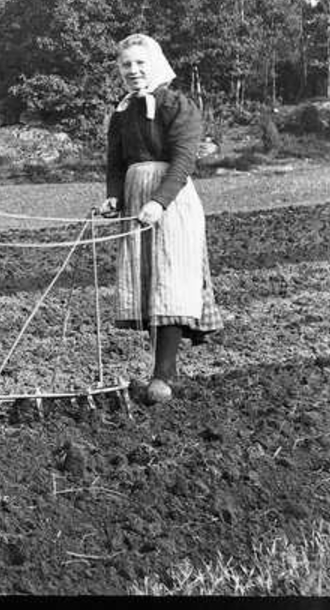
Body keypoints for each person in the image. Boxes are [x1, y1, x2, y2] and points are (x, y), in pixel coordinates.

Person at [99, 33, 221, 403]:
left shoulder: (177, 104)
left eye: (140, 63)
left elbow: (183, 160)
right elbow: (116, 164)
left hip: (172, 200)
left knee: (170, 281)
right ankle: (167, 373)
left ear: (155, 64)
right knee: (149, 283)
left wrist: (159, 201)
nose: (133, 70)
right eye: (126, 65)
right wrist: (114, 197)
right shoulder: (122, 113)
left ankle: (162, 376)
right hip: (136, 199)